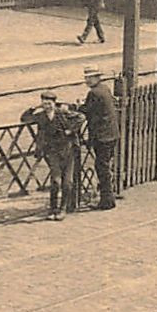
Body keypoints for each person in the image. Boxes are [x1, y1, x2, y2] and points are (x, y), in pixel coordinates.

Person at [20, 89, 80, 219]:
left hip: (68, 150)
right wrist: (33, 108)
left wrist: (70, 130)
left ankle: (63, 209)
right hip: (52, 152)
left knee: (67, 182)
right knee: (56, 181)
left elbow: (80, 117)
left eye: (50, 103)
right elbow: (24, 119)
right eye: (45, 103)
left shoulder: (62, 113)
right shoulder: (41, 116)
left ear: (54, 103)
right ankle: (53, 208)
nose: (47, 106)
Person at [80, 67, 120, 210]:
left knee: (101, 168)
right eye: (86, 77)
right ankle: (109, 196)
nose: (87, 80)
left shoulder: (94, 92)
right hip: (112, 134)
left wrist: (75, 107)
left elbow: (87, 110)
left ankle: (107, 200)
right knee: (105, 166)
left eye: (89, 78)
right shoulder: (105, 88)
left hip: (102, 136)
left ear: (97, 77)